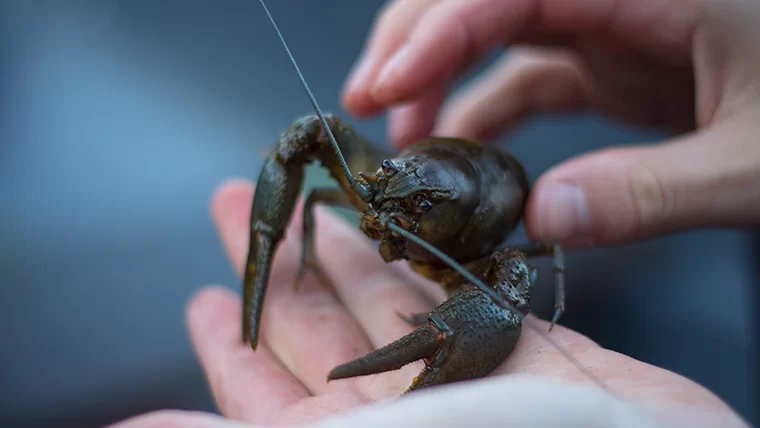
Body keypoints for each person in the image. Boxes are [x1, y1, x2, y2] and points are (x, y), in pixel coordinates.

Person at [112, 0, 759, 426]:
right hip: (436, 170)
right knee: (314, 131)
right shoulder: (386, 183)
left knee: (506, 290)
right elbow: (311, 143)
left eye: (409, 205)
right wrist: (289, 238)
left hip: (475, 223)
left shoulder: (488, 249)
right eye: (385, 183)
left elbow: (523, 274)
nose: (377, 204)